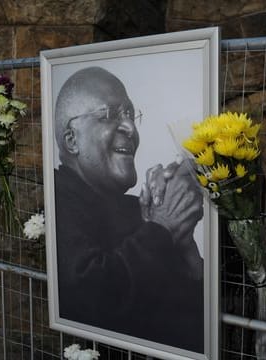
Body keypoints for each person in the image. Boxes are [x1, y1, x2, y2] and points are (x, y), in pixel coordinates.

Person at [53, 66, 204, 353]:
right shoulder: (58, 200)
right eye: (110, 115)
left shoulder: (135, 209)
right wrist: (162, 229)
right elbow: (93, 296)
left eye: (131, 115)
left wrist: (185, 247)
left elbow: (186, 313)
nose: (131, 128)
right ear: (72, 139)